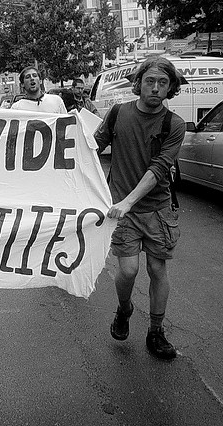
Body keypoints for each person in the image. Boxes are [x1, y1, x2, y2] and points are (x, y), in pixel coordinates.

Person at [94, 56, 186, 360]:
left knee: (157, 269)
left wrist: (128, 201)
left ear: (170, 87)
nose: (156, 88)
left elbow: (159, 168)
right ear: (139, 83)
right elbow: (93, 147)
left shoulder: (174, 124)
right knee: (128, 270)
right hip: (122, 209)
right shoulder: (118, 113)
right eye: (150, 81)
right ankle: (124, 309)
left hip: (157, 208)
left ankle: (156, 332)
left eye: (163, 83)